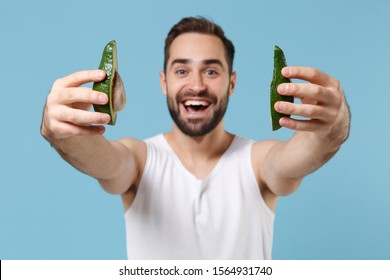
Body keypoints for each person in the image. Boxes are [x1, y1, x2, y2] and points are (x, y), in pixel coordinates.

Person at [40, 16, 351, 259]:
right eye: (181, 71)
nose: (197, 85)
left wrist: (332, 130)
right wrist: (62, 133)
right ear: (164, 82)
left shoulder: (257, 161)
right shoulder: (138, 160)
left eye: (212, 71)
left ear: (232, 83)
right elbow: (102, 161)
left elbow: (292, 161)